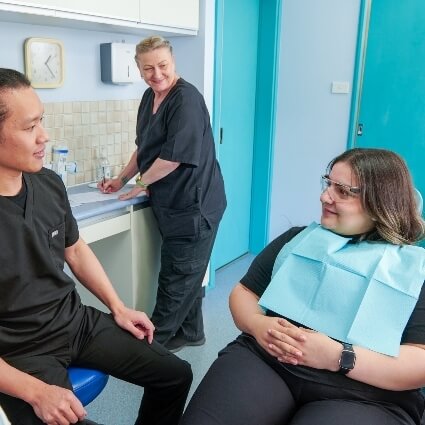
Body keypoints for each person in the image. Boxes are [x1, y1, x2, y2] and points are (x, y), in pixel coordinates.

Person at [0, 68, 192, 425]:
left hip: (74, 322)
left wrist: (117, 307)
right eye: (29, 128)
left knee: (175, 375)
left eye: (42, 121)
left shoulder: (48, 183)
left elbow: (74, 249)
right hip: (19, 352)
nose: (44, 137)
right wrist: (35, 391)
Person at [180, 148, 425, 425]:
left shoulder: (415, 272)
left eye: (342, 191)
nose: (324, 196)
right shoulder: (297, 240)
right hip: (270, 361)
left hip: (366, 393)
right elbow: (244, 293)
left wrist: (337, 357)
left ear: (381, 202)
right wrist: (258, 325)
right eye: (327, 183)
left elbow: (419, 362)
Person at [99, 35, 226, 352]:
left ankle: (155, 346)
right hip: (171, 203)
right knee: (188, 273)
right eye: (147, 68)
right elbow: (145, 147)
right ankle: (193, 332)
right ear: (139, 70)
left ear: (173, 62)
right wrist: (122, 178)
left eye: (162, 66)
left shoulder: (186, 100)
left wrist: (140, 185)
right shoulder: (149, 97)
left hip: (194, 205)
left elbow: (173, 157)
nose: (156, 74)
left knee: (177, 276)